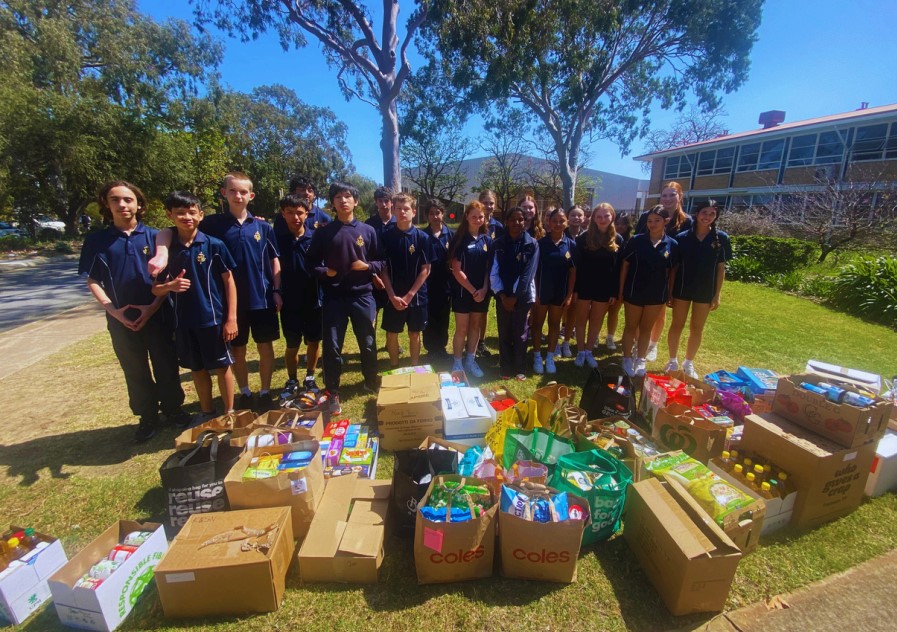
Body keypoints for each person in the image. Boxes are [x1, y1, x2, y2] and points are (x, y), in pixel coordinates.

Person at [149, 172, 283, 411]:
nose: (238, 196)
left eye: (243, 192)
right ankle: (244, 391)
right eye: (233, 191)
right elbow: (170, 231)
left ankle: (265, 391)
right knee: (238, 349)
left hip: (261, 298)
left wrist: (276, 290)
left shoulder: (263, 226)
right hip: (229, 303)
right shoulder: (211, 224)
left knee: (265, 346)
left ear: (251, 196)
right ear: (224, 193)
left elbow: (274, 259)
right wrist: (161, 252)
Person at [79, 181, 187, 442]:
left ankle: (173, 410)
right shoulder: (97, 241)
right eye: (115, 200)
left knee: (166, 364)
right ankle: (147, 417)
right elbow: (93, 280)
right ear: (106, 204)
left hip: (158, 314)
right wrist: (113, 311)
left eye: (128, 199)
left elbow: (167, 279)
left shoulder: (156, 237)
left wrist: (152, 307)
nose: (122, 205)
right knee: (134, 369)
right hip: (121, 318)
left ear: (139, 204)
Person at [152, 191, 238, 426]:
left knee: (222, 366)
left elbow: (229, 282)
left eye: (192, 212)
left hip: (213, 319)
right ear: (170, 215)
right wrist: (169, 286)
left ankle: (229, 411)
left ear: (201, 215)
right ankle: (207, 412)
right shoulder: (166, 249)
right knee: (197, 369)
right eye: (180, 213)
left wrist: (231, 318)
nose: (187, 217)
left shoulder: (214, 245)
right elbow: (155, 290)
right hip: (183, 322)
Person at [306, 181, 385, 414]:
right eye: (338, 197)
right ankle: (332, 391)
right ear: (332, 203)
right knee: (332, 346)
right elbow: (310, 262)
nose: (343, 200)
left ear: (356, 201)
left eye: (348, 196)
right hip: (334, 297)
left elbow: (381, 261)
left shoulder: (368, 231)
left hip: (363, 295)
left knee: (368, 342)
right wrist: (325, 272)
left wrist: (367, 267)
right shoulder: (324, 232)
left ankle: (370, 380)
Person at [665, 199, 732, 379]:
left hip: (705, 290)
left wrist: (717, 294)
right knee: (677, 324)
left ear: (716, 216)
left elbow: (721, 269)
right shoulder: (682, 238)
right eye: (704, 212)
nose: (707, 217)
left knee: (697, 328)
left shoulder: (721, 239)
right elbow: (674, 268)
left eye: (712, 213)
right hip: (682, 288)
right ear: (697, 213)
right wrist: (670, 291)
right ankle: (672, 361)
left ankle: (688, 363)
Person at [634, 181, 692, 361]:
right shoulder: (648, 216)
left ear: (680, 197)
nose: (668, 199)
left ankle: (653, 344)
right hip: (644, 271)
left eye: (672, 195)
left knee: (660, 310)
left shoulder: (686, 221)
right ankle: (638, 343)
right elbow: (637, 240)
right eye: (664, 195)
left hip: (669, 271)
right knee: (640, 310)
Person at [618, 205, 679, 377]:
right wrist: (621, 290)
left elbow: (672, 270)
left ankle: (640, 359)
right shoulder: (636, 241)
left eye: (657, 220)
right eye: (650, 221)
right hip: (634, 291)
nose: (652, 224)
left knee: (646, 328)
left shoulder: (672, 244)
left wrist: (670, 292)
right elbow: (625, 265)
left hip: (656, 294)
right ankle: (627, 358)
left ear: (666, 221)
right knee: (631, 327)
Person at [276, 194, 323, 402]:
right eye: (290, 212)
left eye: (299, 213)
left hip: (314, 299)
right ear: (283, 214)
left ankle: (310, 377)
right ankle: (292, 379)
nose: (295, 217)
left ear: (307, 214)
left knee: (314, 341)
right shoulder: (277, 240)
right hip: (289, 301)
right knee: (292, 344)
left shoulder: (316, 238)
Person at [381, 193, 432, 367]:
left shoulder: (422, 238)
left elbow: (426, 269)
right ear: (394, 210)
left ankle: (415, 367)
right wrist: (391, 296)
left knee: (414, 333)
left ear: (414, 211)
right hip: (393, 295)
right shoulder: (386, 237)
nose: (402, 212)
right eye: (399, 209)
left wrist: (410, 295)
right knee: (391, 333)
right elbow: (383, 269)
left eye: (406, 209)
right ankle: (394, 366)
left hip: (416, 297)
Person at [491, 206, 539, 380]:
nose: (517, 223)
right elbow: (494, 271)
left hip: (523, 296)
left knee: (521, 332)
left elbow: (528, 274)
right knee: (504, 331)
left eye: (520, 219)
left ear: (525, 222)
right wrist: (503, 296)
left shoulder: (532, 244)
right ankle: (505, 367)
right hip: (502, 296)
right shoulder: (498, 244)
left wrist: (515, 297)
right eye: (513, 219)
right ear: (507, 222)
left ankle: (520, 367)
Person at [573, 203, 623, 369]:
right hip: (584, 285)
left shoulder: (618, 239)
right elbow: (576, 266)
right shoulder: (583, 238)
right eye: (599, 216)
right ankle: (580, 351)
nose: (602, 219)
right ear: (593, 218)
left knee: (596, 320)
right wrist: (575, 289)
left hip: (604, 287)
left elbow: (618, 269)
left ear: (612, 217)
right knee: (581, 320)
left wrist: (614, 291)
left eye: (606, 216)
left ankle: (589, 351)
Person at [449, 200, 492, 378]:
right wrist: (473, 290)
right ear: (466, 216)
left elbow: (489, 269)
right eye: (474, 216)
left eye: (480, 217)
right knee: (462, 328)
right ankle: (457, 361)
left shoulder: (487, 240)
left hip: (481, 293)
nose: (477, 220)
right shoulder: (459, 239)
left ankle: (470, 360)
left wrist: (484, 289)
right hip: (463, 292)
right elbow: (456, 270)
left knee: (475, 326)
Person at [532, 208, 576, 374]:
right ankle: (537, 355)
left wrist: (569, 295)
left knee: (554, 324)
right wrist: (535, 293)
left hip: (560, 293)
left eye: (561, 221)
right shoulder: (540, 244)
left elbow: (573, 272)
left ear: (567, 222)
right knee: (537, 324)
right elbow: (534, 271)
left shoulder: (571, 245)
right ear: (548, 223)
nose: (558, 224)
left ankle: (550, 356)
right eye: (554, 221)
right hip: (542, 291)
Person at [421, 199, 455, 362]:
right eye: (431, 213)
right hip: (427, 285)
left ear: (443, 214)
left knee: (443, 318)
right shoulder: (422, 236)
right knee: (429, 318)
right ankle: (430, 349)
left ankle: (441, 348)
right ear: (427, 216)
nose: (435, 216)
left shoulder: (452, 235)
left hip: (446, 285)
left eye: (438, 213)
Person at [559, 204, 587, 356]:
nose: (576, 218)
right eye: (573, 215)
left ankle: (566, 343)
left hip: (580, 282)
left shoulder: (587, 237)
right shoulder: (561, 235)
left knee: (572, 314)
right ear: (567, 218)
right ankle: (555, 343)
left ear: (584, 218)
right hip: (561, 281)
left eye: (579, 215)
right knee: (558, 313)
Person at [366, 186, 396, 323]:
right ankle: (370, 338)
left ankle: (391, 339)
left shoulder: (399, 223)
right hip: (374, 277)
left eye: (386, 201)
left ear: (391, 202)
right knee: (371, 316)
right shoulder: (369, 225)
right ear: (376, 202)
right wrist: (374, 276)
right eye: (380, 201)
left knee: (393, 317)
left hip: (395, 276)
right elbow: (365, 253)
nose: (384, 204)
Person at [604, 211, 633, 350]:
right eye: (618, 223)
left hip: (624, 282)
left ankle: (610, 337)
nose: (620, 226)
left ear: (628, 225)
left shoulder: (632, 241)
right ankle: (594, 336)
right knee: (600, 311)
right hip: (608, 280)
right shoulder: (609, 239)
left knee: (614, 312)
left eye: (623, 224)